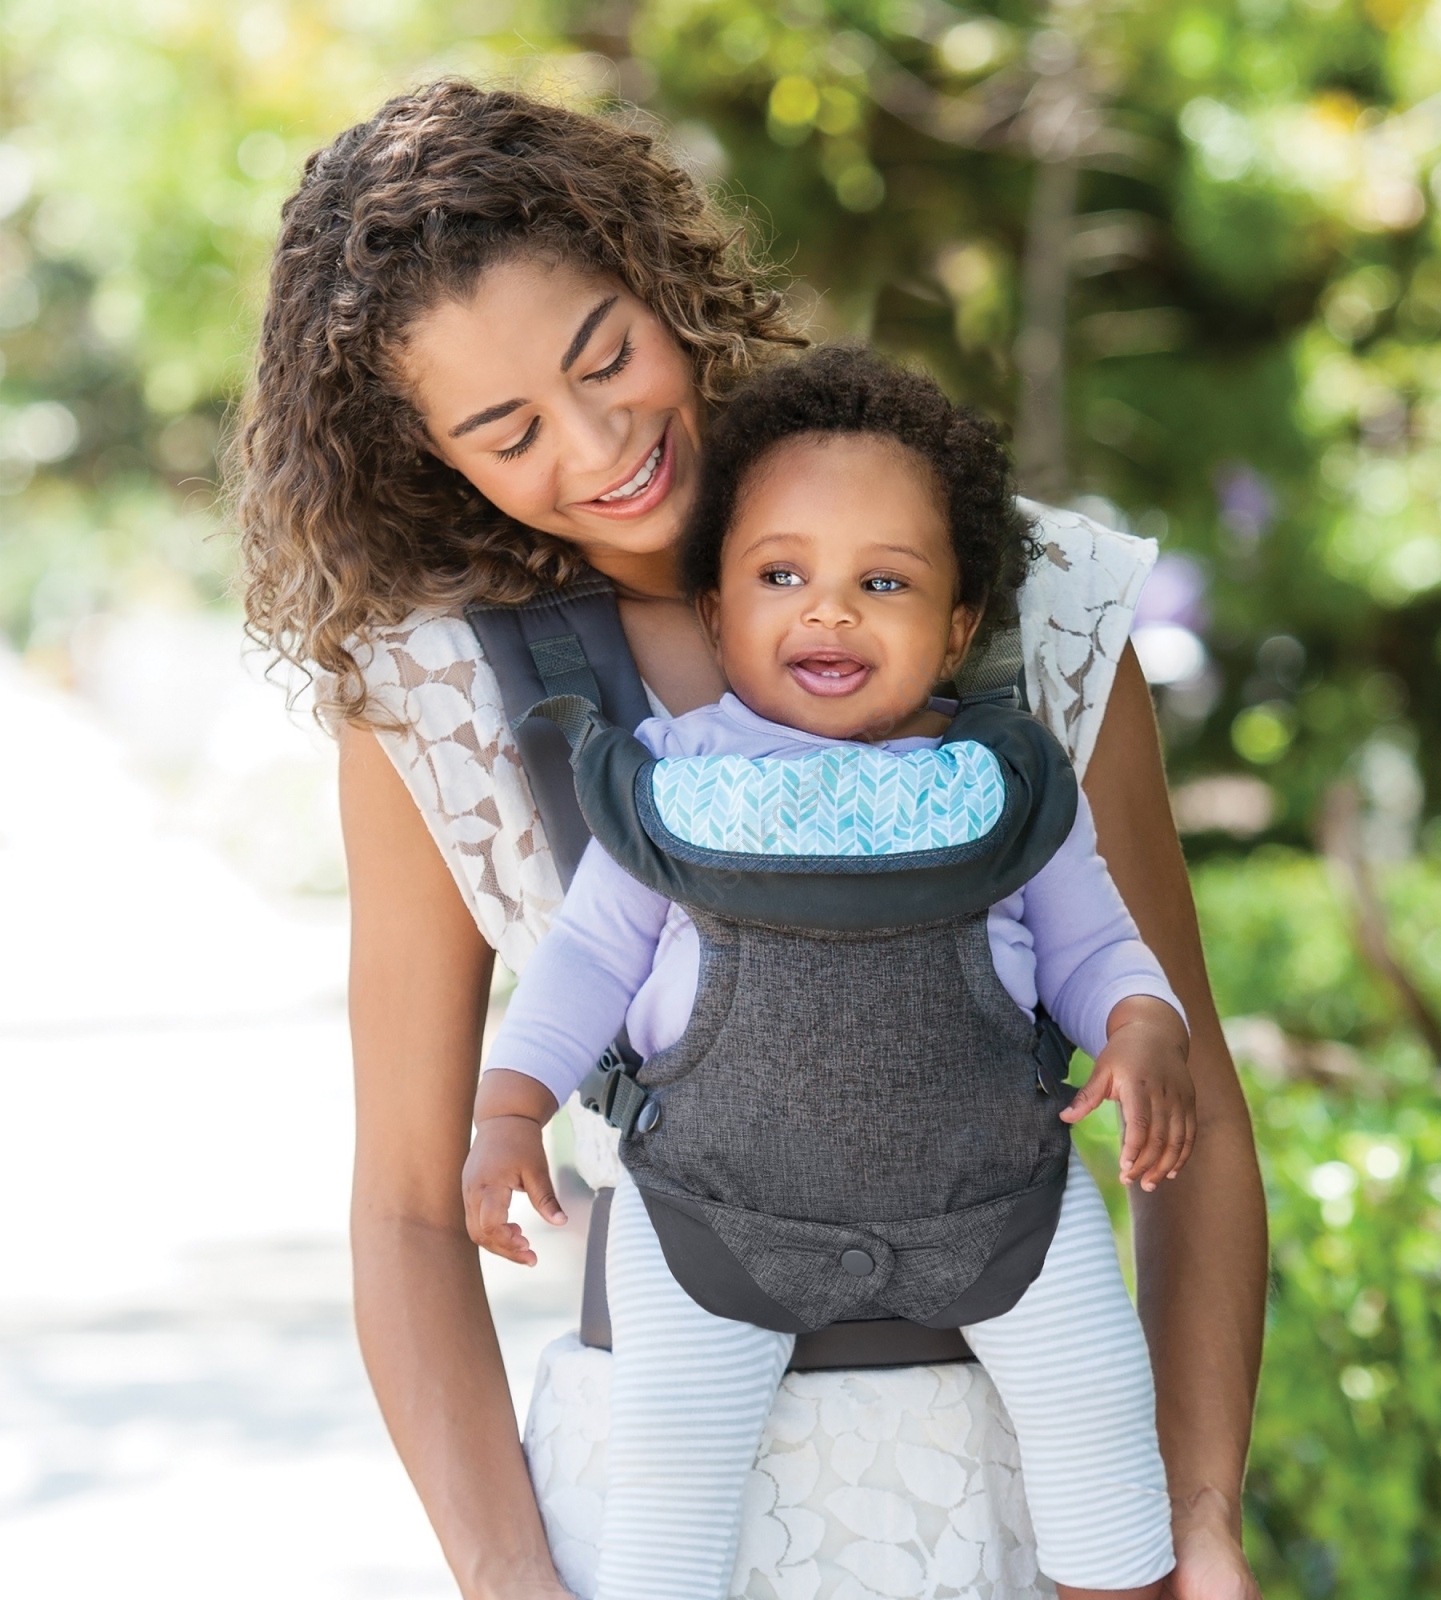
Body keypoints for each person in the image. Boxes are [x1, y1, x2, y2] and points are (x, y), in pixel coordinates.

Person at [236, 80, 1267, 1600]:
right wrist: (509, 1581)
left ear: (658, 272)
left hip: (1018, 1500)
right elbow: (404, 1204)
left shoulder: (1031, 597)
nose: (601, 443)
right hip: (659, 1503)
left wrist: (1198, 1523)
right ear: (426, 456)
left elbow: (1194, 1108)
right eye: (509, 431)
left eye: (608, 356)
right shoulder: (440, 699)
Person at [468, 346, 1195, 1600]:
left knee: (1098, 1407)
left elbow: (1091, 945)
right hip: (711, 1213)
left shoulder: (1004, 782)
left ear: (958, 624)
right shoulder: (671, 783)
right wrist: (506, 1106)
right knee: (667, 1484)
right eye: (781, 574)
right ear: (716, 612)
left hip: (997, 1203)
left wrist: (1141, 1024)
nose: (831, 611)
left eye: (885, 581)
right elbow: (587, 957)